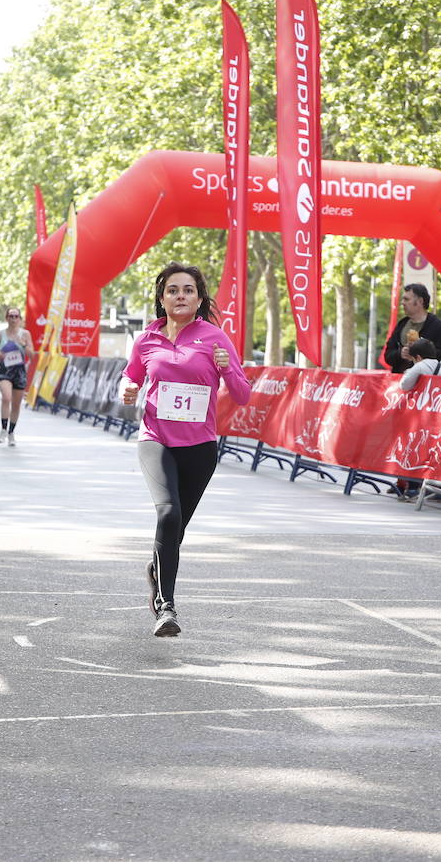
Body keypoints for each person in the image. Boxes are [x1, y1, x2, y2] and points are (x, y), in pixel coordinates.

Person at [121, 262, 251, 637]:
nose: (180, 296)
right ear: (162, 298)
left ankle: (156, 569)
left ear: (199, 298)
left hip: (200, 447)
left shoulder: (214, 337)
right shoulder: (146, 339)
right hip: (155, 439)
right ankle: (166, 608)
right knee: (168, 513)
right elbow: (129, 379)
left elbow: (242, 395)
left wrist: (226, 369)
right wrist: (126, 391)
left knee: (175, 529)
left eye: (188, 290)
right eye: (173, 290)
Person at [0, 307, 35, 446]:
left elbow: (31, 355)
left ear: (20, 319)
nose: (13, 319)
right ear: (6, 318)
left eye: (16, 316)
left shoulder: (25, 334)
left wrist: (24, 345)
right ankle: (3, 429)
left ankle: (11, 433)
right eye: (11, 316)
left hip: (19, 371)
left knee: (16, 404)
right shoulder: (0, 334)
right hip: (4, 370)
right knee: (6, 397)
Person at [383, 284, 441, 374]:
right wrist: (400, 354)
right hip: (400, 382)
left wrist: (422, 353)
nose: (402, 302)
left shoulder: (437, 326)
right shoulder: (401, 325)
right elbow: (388, 355)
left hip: (427, 384)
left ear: (420, 301)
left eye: (406, 299)